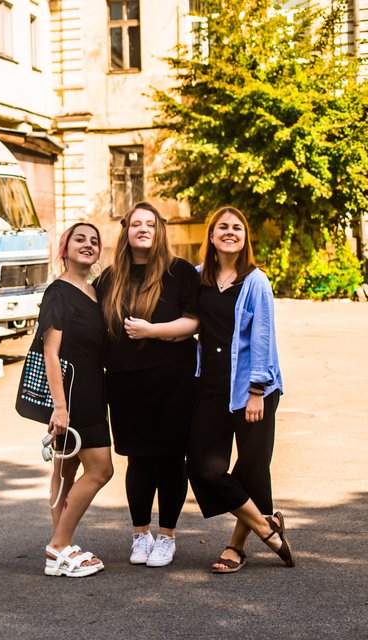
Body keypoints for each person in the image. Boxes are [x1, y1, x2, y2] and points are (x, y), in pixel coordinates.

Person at [186, 206, 292, 573]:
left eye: (237, 227)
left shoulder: (255, 281)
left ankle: (235, 548)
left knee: (251, 467)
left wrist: (257, 390)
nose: (230, 232)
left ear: (245, 237)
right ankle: (267, 525)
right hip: (211, 385)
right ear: (211, 236)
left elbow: (263, 336)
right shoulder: (197, 277)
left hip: (252, 388)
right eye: (222, 227)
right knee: (202, 466)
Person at [95, 203, 200, 567]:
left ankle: (167, 537)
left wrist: (153, 331)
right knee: (138, 461)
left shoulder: (180, 272)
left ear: (160, 230)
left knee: (171, 460)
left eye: (150, 223)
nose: (143, 229)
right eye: (135, 224)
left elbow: (193, 322)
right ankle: (140, 535)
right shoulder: (109, 278)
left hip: (174, 381)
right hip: (126, 384)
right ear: (125, 231)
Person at [38, 223, 114, 578]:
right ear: (64, 248)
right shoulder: (58, 293)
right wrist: (60, 406)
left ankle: (60, 549)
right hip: (72, 396)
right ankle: (60, 543)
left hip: (93, 391)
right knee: (100, 469)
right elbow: (51, 353)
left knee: (66, 470)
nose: (88, 244)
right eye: (79, 239)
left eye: (93, 241)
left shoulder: (96, 291)